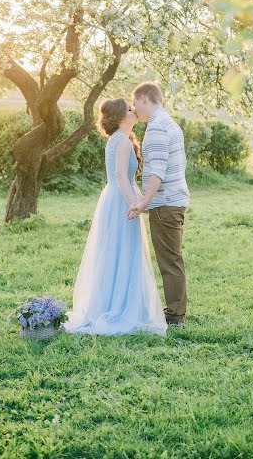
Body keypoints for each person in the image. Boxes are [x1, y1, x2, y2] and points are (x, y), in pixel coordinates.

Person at [61, 98, 167, 337]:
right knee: (123, 251)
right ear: (120, 116)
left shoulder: (119, 140)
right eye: (130, 109)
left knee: (117, 251)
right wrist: (135, 204)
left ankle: (113, 302)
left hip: (115, 197)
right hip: (122, 199)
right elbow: (121, 176)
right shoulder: (122, 142)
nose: (135, 111)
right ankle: (118, 307)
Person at [128, 82, 190, 327]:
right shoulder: (169, 123)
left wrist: (143, 203)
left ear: (144, 98)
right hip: (175, 200)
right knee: (172, 258)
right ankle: (176, 311)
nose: (135, 110)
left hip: (165, 204)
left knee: (169, 260)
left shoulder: (156, 129)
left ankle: (175, 315)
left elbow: (157, 173)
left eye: (135, 104)